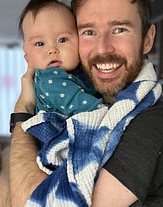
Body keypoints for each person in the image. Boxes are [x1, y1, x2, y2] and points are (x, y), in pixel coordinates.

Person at [0, 0, 163, 207]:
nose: (103, 48)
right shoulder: (74, 87)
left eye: (119, 29)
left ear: (147, 40)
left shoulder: (157, 123)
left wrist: (22, 113)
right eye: (89, 32)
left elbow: (21, 202)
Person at [18, 0, 104, 173]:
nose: (52, 50)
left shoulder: (77, 73)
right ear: (27, 56)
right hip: (60, 155)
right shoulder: (50, 79)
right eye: (40, 44)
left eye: (62, 39)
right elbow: (88, 108)